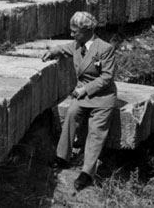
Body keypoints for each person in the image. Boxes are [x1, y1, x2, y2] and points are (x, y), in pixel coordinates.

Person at [42, 11, 117, 191]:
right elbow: (63, 48)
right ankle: (62, 156)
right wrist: (52, 52)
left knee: (96, 132)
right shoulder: (77, 45)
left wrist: (85, 89)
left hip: (102, 97)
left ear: (87, 31)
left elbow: (107, 77)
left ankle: (87, 172)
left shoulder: (105, 48)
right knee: (71, 115)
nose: (72, 34)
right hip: (82, 95)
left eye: (75, 31)